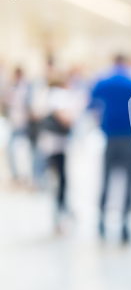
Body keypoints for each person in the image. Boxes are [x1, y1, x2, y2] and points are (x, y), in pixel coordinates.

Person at [90, 55, 131, 244]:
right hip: (128, 136)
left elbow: (91, 104)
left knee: (106, 180)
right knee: (129, 181)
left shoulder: (103, 82)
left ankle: (102, 222)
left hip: (110, 136)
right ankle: (125, 224)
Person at [37, 74, 81, 232]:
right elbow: (64, 117)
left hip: (51, 142)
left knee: (59, 178)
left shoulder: (48, 94)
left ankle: (62, 211)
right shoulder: (58, 95)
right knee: (60, 179)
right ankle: (60, 215)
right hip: (56, 143)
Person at [5, 67, 30, 184]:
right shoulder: (12, 87)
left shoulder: (26, 88)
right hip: (14, 123)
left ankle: (25, 176)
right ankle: (16, 175)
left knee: (24, 150)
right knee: (12, 150)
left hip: (23, 123)